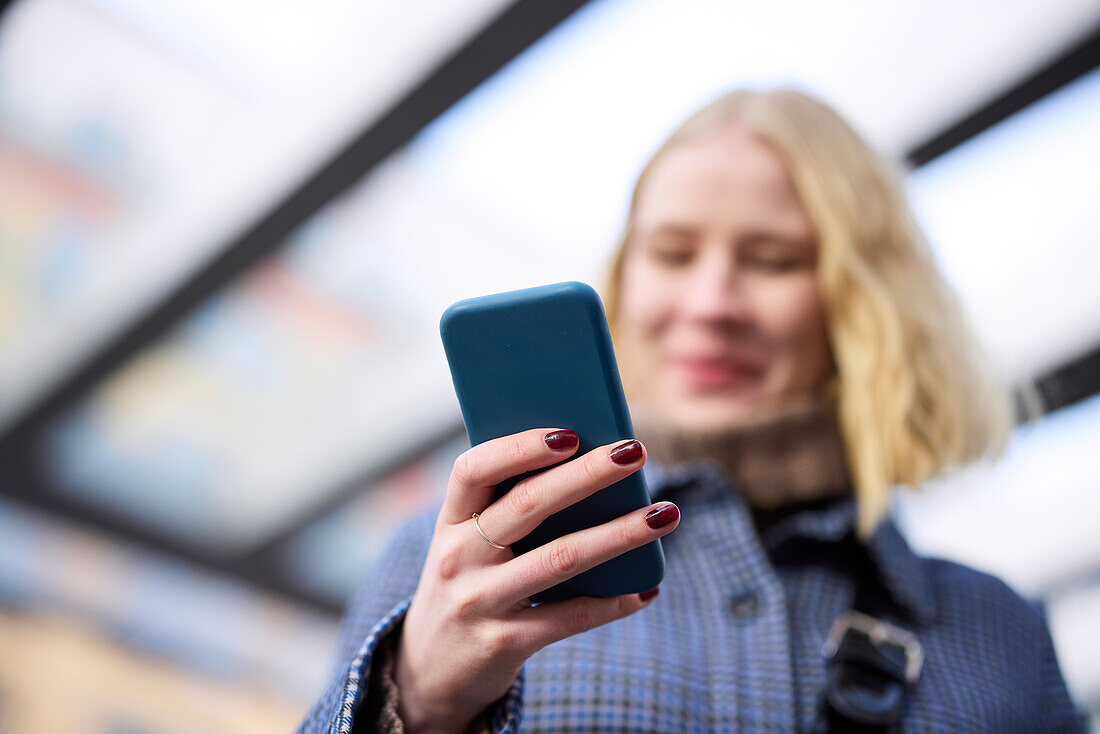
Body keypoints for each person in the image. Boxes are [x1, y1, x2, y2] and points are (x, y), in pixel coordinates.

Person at [299, 89, 1085, 733]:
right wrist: (416, 702)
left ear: (867, 306)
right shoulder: (459, 566)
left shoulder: (999, 634)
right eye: (673, 255)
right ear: (625, 281)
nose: (711, 303)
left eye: (772, 260)